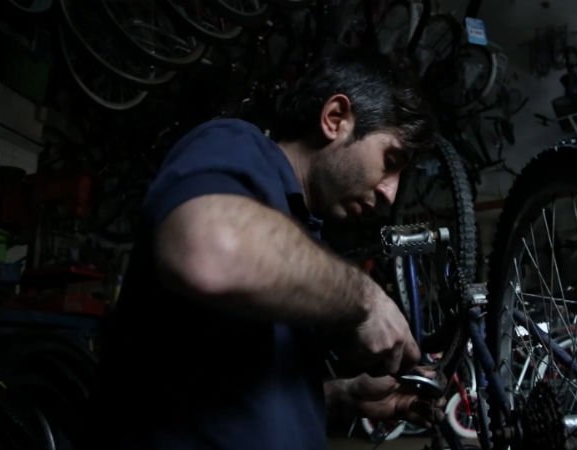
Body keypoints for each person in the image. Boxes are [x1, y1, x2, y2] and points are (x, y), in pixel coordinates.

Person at [91, 49, 436, 450]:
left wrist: (342, 397)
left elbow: (228, 392)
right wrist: (365, 299)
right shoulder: (234, 144)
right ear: (335, 119)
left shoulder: (303, 234)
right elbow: (210, 249)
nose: (390, 193)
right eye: (389, 160)